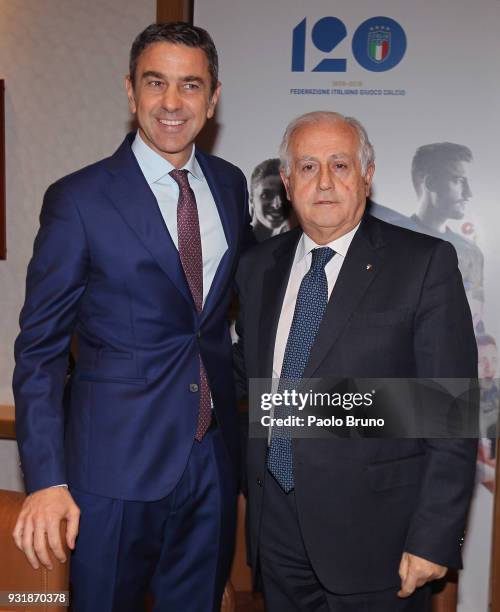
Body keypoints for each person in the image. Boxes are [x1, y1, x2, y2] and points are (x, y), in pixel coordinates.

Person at [13, 22, 253, 612]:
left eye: (190, 85)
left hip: (212, 459)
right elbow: (39, 350)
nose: (172, 103)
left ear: (213, 97)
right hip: (112, 473)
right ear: (130, 91)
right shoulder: (79, 200)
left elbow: (218, 318)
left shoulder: (229, 185)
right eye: (156, 83)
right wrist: (45, 478)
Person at [234, 111, 478, 611]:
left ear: (366, 175)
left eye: (340, 165)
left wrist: (434, 539)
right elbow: (246, 376)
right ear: (286, 180)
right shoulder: (259, 267)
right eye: (307, 167)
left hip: (379, 543)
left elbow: (452, 413)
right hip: (275, 532)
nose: (324, 182)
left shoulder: (425, 262)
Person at [371, 142, 484, 322]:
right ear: (430, 182)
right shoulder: (386, 238)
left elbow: (476, 319)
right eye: (458, 181)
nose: (468, 193)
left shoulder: (470, 252)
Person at [250, 158, 293, 241]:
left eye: (284, 194)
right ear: (252, 200)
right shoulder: (237, 246)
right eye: (266, 195)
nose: (277, 204)